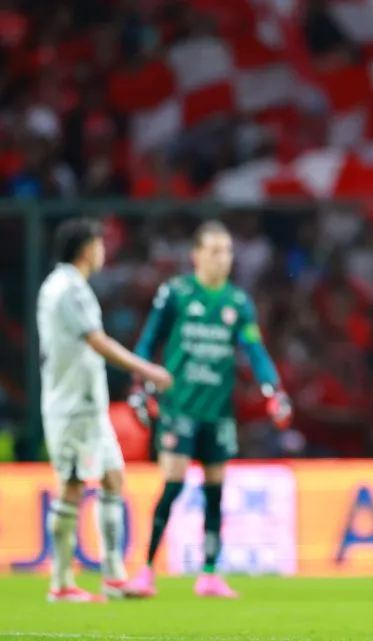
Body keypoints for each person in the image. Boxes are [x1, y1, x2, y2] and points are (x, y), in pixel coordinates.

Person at [124, 220, 292, 599]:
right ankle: (146, 569)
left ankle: (210, 573)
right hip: (178, 406)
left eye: (228, 250)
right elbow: (148, 340)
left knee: (216, 490)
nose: (223, 258)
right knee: (174, 483)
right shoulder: (176, 294)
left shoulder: (237, 302)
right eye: (215, 250)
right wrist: (139, 384)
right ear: (196, 255)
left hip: (217, 412)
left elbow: (255, 350)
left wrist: (274, 390)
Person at [36, 218, 172, 602]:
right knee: (74, 485)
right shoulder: (70, 289)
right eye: (99, 244)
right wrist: (148, 370)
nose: (103, 251)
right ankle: (61, 583)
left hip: (86, 404)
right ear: (84, 249)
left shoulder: (61, 286)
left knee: (112, 477)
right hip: (73, 404)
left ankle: (113, 576)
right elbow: (97, 341)